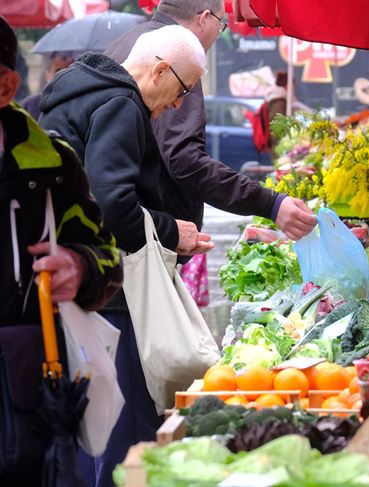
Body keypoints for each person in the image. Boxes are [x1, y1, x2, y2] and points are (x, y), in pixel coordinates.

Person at [38, 25, 213, 487]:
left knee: (90, 424)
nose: (179, 103)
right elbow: (112, 203)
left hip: (69, 279)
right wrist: (172, 230)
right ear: (160, 70)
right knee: (128, 432)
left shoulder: (74, 89)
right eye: (184, 89)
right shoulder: (120, 104)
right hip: (110, 292)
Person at [0, 16, 123, 484]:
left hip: (27, 394)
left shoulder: (52, 167)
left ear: (6, 85)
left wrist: (81, 266)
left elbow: (107, 255)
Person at [105, 0, 316, 242]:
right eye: (221, 24)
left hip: (126, 225)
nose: (219, 33)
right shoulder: (177, 56)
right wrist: (270, 203)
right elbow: (184, 159)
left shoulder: (128, 41)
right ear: (205, 17)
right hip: (144, 236)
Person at [20, 52, 73, 119]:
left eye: (68, 71)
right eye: (58, 71)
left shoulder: (80, 105)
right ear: (47, 75)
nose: (63, 76)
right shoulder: (30, 105)